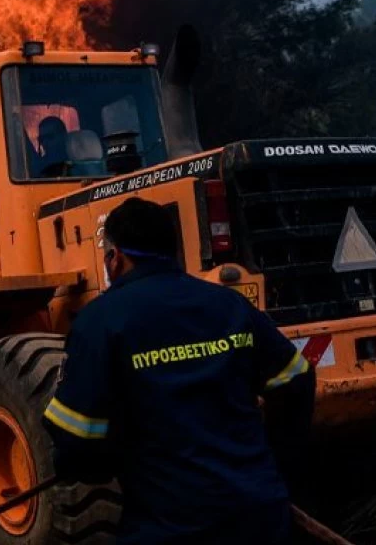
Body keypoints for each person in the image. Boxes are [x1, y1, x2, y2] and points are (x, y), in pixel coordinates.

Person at [44, 197, 315, 544]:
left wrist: (109, 460)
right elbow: (298, 380)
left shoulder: (99, 321)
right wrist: (275, 463)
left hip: (168, 527)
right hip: (259, 515)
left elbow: (75, 441)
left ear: (116, 257)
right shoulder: (229, 303)